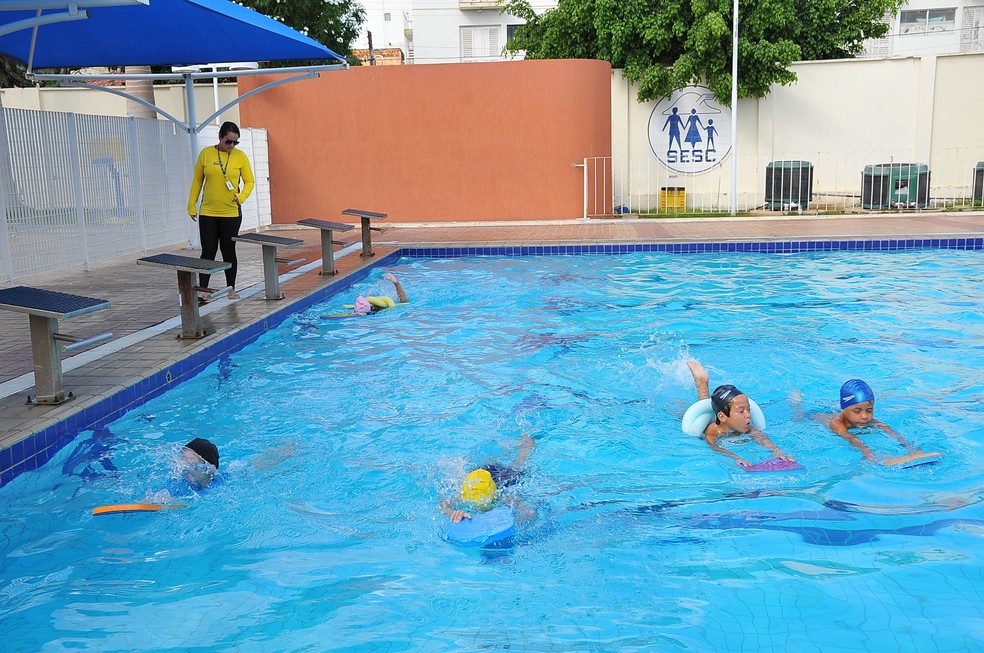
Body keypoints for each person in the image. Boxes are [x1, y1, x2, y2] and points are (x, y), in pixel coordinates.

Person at [187, 121, 255, 303]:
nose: (231, 146)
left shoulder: (240, 157)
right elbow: (197, 181)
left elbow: (250, 181)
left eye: (235, 142)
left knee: (228, 251)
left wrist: (241, 197)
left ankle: (231, 288)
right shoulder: (206, 154)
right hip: (208, 211)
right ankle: (203, 290)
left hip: (231, 213)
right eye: (228, 142)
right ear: (220, 138)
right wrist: (191, 205)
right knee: (208, 251)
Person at [686, 360, 795, 468]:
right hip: (710, 421)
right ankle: (702, 383)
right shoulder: (713, 431)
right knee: (705, 412)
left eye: (749, 409)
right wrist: (735, 457)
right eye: (741, 411)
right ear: (722, 417)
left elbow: (762, 438)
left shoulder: (748, 427)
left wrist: (776, 451)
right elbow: (714, 447)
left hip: (725, 417)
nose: (748, 415)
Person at [439, 434, 536, 523]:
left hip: (501, 478)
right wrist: (452, 514)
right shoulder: (461, 494)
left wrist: (510, 521)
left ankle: (527, 439)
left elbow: (530, 513)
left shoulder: (503, 496)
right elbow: (442, 505)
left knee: (517, 465)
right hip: (478, 474)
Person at [827, 379, 921, 464]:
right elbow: (849, 437)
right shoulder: (837, 423)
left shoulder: (868, 420)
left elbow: (887, 428)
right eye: (857, 411)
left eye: (869, 410)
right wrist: (866, 451)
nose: (864, 416)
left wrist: (909, 447)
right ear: (843, 409)